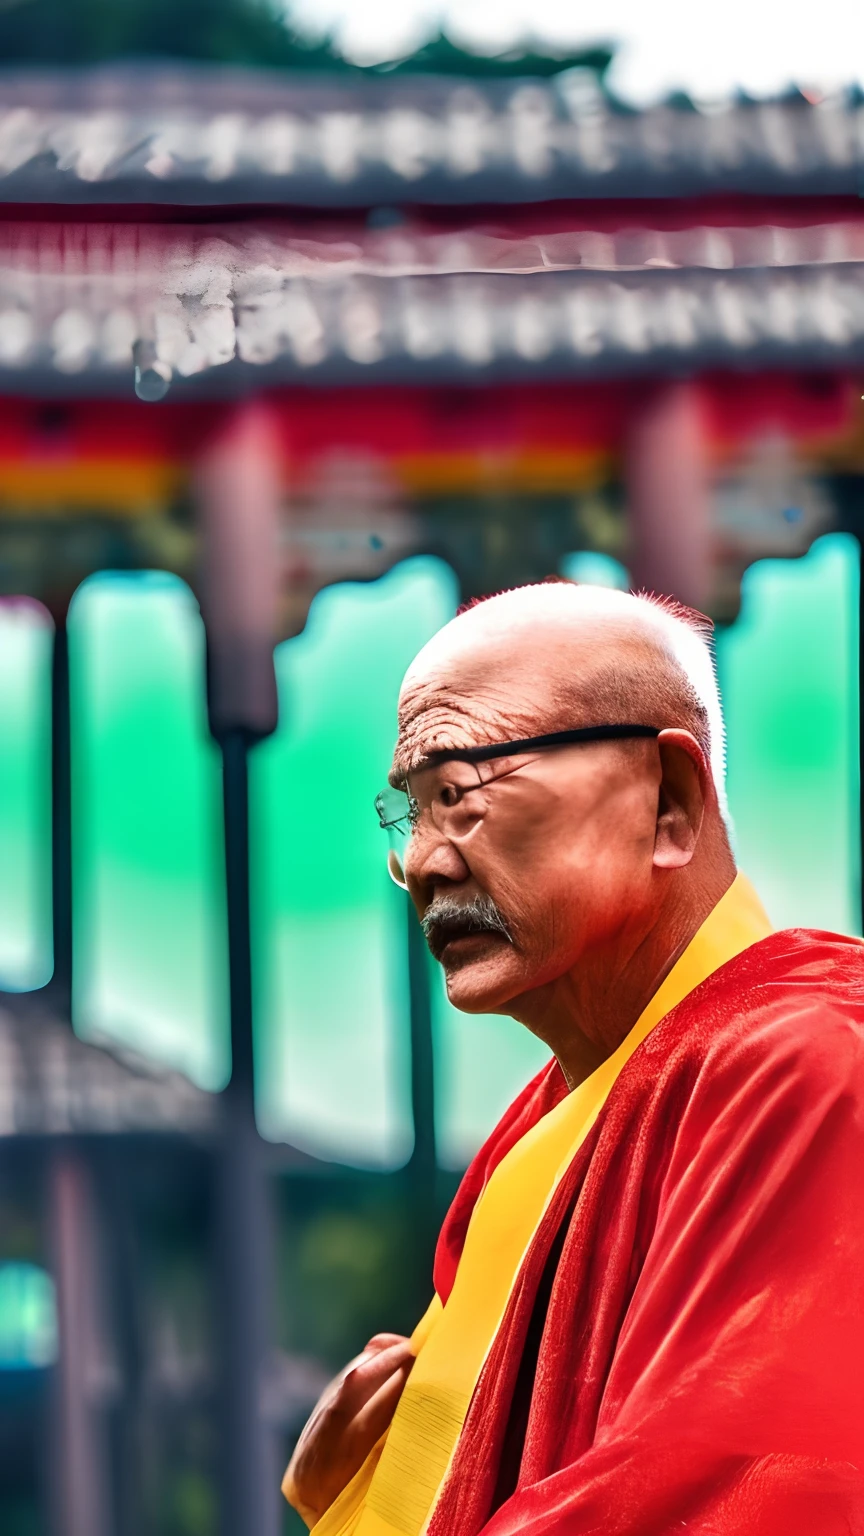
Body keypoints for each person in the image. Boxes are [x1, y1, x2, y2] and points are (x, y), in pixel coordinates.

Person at [283, 581, 864, 1536]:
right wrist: (356, 1500)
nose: (426, 862)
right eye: (413, 813)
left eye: (462, 796)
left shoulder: (813, 1061)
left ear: (669, 804)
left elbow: (731, 1491)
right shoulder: (541, 1129)